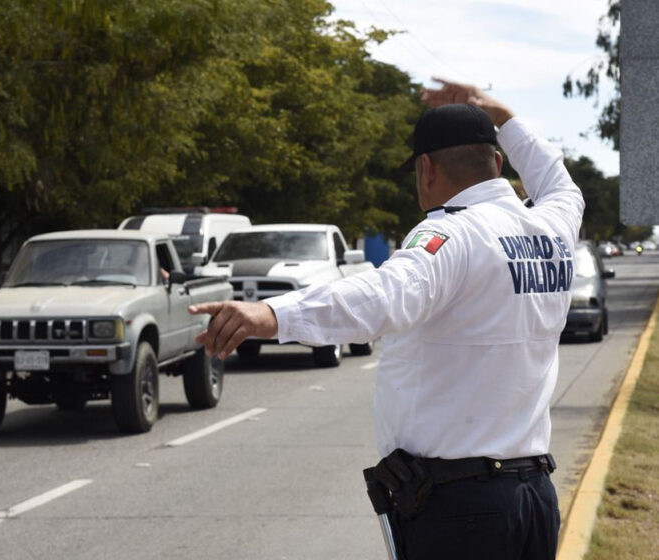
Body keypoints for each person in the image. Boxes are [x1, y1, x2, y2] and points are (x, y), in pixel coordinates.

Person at [188, 78, 583, 559]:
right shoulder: (554, 227)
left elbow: (382, 293)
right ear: (497, 163)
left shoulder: (450, 236)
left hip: (461, 511)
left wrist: (271, 313)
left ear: (426, 168)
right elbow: (556, 176)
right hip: (534, 499)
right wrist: (499, 113)